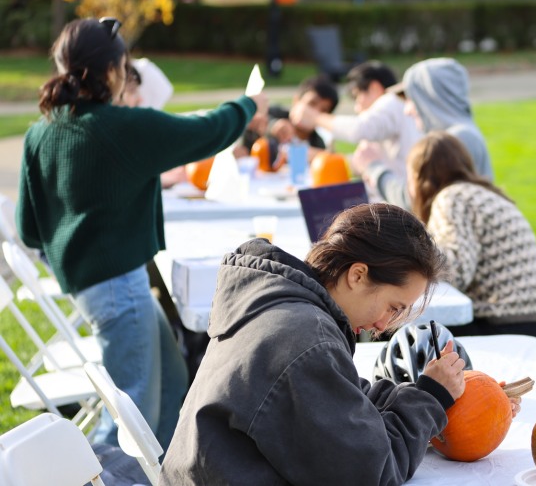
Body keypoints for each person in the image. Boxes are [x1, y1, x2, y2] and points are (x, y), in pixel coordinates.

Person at [16, 17, 268, 451]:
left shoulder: (41, 131)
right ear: (114, 71)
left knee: (172, 381)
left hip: (95, 285)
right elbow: (207, 132)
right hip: (118, 288)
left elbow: (28, 227)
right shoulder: (118, 127)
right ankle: (104, 477)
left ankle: (167, 470)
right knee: (126, 422)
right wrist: (248, 105)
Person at [160, 203, 468, 485]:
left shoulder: (283, 305)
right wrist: (430, 399)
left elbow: (341, 398)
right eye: (393, 307)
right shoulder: (307, 340)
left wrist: (420, 394)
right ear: (358, 275)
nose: (383, 326)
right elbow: (371, 473)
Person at [406, 132, 536, 340]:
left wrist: (410, 255)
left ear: (418, 177)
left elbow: (457, 271)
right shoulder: (483, 194)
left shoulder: (452, 198)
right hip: (528, 325)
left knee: (396, 325)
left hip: (499, 326)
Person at [353, 57, 494, 209]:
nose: (407, 110)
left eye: (411, 100)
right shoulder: (461, 133)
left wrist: (373, 167)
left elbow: (414, 200)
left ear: (431, 99)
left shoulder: (455, 139)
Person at [290, 60, 422, 183]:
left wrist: (315, 117)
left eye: (358, 96)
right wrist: (319, 156)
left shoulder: (391, 101)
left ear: (374, 88)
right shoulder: (387, 119)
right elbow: (360, 163)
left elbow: (358, 129)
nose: (357, 107)